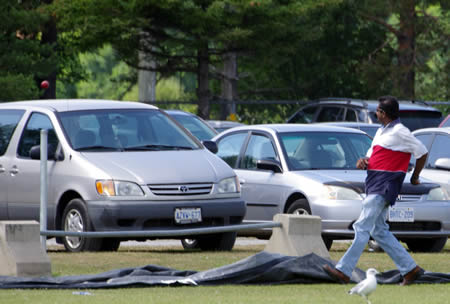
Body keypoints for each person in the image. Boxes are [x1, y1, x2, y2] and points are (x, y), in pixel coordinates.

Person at [323, 96, 428, 286]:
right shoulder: (381, 131)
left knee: (361, 226)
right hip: (374, 183)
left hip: (384, 186)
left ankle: (343, 271)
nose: (376, 114)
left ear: (384, 114)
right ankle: (410, 269)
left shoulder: (400, 131)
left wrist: (414, 177)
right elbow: (374, 158)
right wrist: (363, 162)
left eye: (378, 111)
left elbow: (422, 152)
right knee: (378, 231)